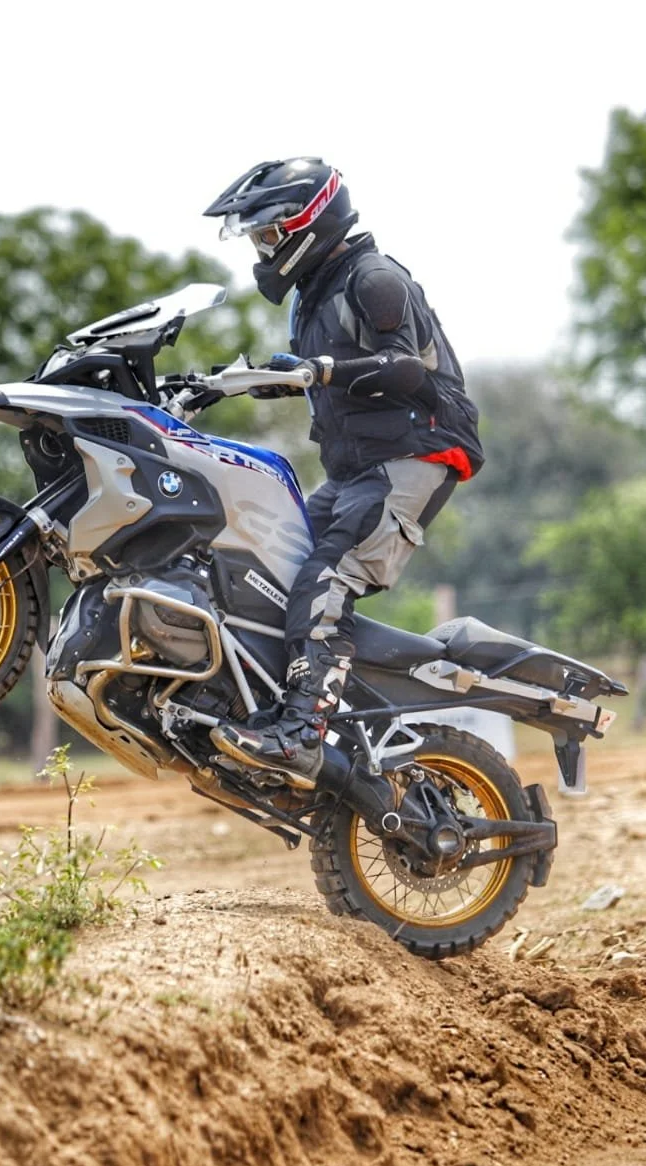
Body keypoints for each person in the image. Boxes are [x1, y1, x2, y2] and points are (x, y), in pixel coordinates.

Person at [201, 157, 484, 790]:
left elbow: (403, 368)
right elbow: (326, 377)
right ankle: (271, 709)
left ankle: (302, 734)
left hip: (415, 456)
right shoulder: (314, 296)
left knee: (326, 579)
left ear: (310, 221)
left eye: (269, 234)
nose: (263, 249)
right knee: (270, 568)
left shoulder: (374, 278)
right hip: (356, 469)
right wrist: (236, 382)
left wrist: (316, 371)